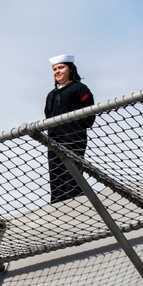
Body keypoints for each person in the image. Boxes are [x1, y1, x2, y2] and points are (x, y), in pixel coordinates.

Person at [44, 54, 95, 203]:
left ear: (70, 69)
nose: (57, 71)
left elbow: (89, 115)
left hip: (74, 138)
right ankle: (57, 205)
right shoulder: (51, 95)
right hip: (53, 140)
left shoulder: (80, 89)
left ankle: (75, 204)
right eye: (55, 69)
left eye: (61, 68)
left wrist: (74, 128)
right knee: (55, 173)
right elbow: (47, 115)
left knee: (72, 173)